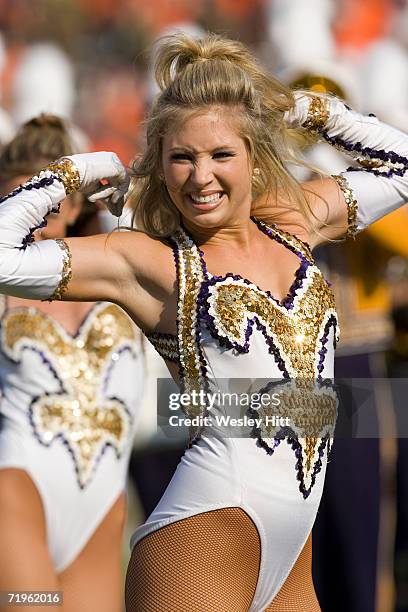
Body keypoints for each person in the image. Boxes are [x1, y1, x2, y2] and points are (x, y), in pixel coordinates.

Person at [0, 34, 406, 611]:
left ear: (254, 153)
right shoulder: (150, 261)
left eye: (220, 155)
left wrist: (311, 110)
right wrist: (79, 170)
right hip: (202, 541)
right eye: (181, 158)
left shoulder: (299, 223)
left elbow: (402, 167)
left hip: (293, 556)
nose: (200, 177)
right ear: (160, 164)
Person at [0, 115, 144, 612]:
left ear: (77, 202)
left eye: (48, 201)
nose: (34, 217)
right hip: (15, 496)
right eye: (20, 200)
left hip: (101, 511)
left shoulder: (124, 274)